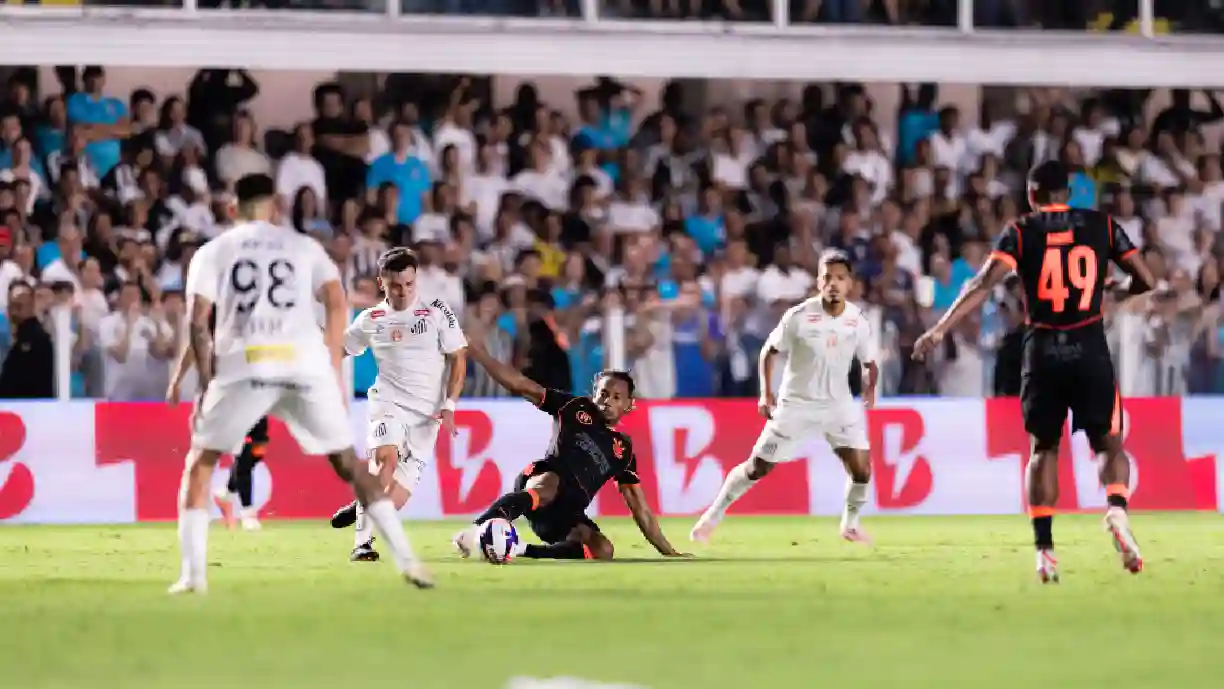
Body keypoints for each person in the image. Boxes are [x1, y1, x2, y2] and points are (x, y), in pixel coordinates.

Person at [170, 173, 433, 595]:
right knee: (349, 464)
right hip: (304, 365)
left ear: (232, 209)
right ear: (275, 207)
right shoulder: (303, 247)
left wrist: (204, 383)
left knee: (201, 464)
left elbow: (198, 324)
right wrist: (330, 360)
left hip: (245, 365)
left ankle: (192, 577)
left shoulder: (211, 253)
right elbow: (336, 299)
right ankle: (408, 560)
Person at [912, 159, 1156, 584]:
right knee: (1108, 442)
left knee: (1043, 450)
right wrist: (1116, 289)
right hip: (1089, 345)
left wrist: (939, 328)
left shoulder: (1021, 231)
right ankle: (1116, 508)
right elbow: (1146, 280)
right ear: (1068, 193)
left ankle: (1045, 552)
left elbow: (982, 285)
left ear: (1032, 195)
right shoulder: (1102, 225)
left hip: (1043, 348)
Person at [690, 249, 879, 545]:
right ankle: (710, 517)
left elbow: (869, 361)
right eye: (827, 277)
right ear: (818, 281)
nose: (833, 283)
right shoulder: (799, 316)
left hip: (839, 405)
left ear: (849, 284)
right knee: (757, 467)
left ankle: (850, 525)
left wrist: (871, 386)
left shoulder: (857, 320)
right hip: (797, 405)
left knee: (862, 469)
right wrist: (766, 393)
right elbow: (769, 351)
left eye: (840, 278)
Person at [452, 342, 688, 561]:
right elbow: (521, 385)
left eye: (616, 397)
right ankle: (476, 530)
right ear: (594, 392)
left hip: (566, 514)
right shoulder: (573, 407)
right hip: (540, 486)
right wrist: (480, 354)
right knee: (549, 484)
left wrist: (668, 552)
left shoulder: (623, 450)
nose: (607, 401)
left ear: (629, 405)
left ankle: (521, 549)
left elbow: (639, 507)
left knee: (603, 550)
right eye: (603, 393)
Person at [327, 246, 468, 562]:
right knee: (384, 462)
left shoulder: (436, 310)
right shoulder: (372, 318)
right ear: (382, 283)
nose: (403, 292)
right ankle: (362, 544)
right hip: (388, 402)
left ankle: (364, 504)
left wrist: (450, 404)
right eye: (395, 286)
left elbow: (458, 356)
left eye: (409, 284)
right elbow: (340, 349)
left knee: (395, 498)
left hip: (427, 417)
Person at [169, 315, 271, 533]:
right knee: (207, 456)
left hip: (250, 396)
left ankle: (227, 490)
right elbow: (192, 349)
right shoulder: (212, 326)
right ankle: (241, 511)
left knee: (256, 448)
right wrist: (177, 382)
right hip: (217, 398)